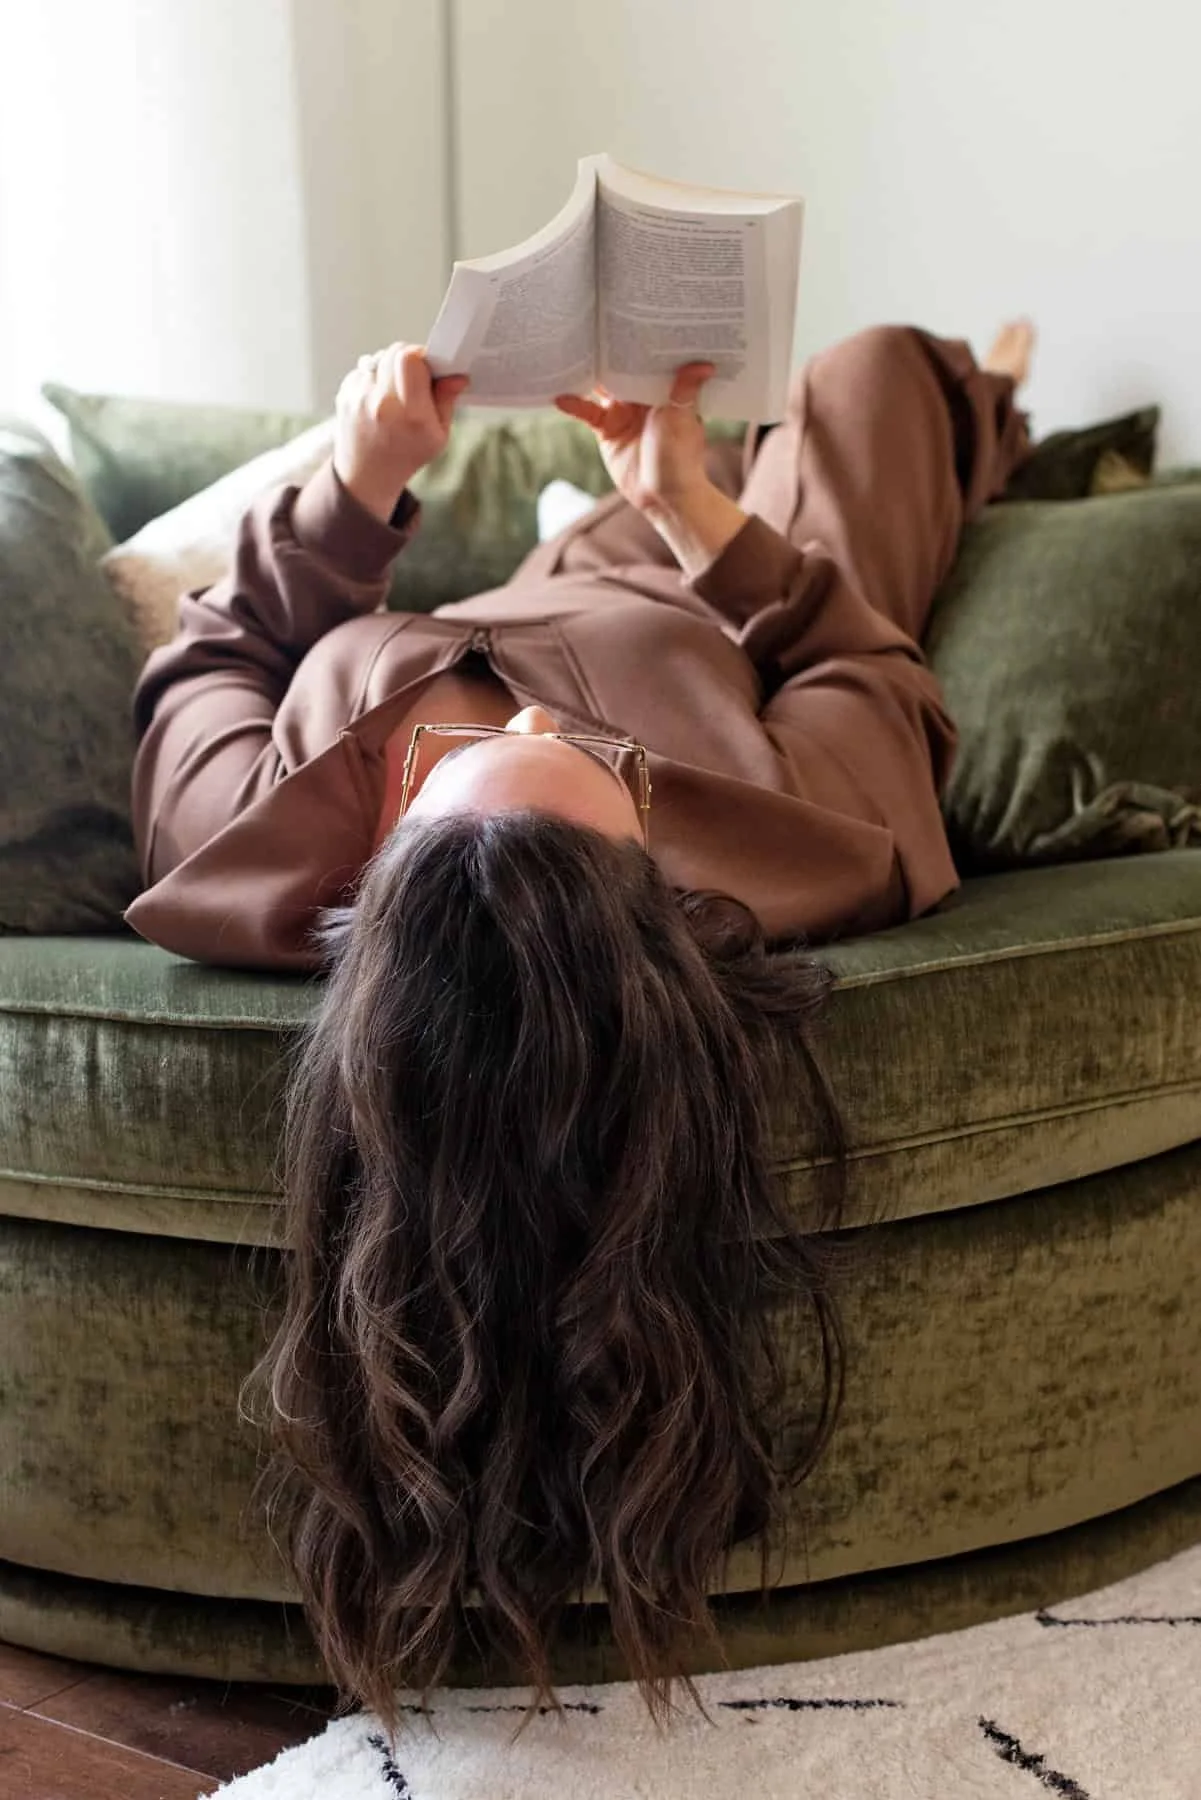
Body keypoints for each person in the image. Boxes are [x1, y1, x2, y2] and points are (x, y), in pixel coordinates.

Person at [128, 320, 1033, 1725]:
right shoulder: (800, 846)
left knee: (723, 406)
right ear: (658, 888)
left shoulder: (245, 845)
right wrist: (699, 520)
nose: (534, 725)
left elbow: (216, 649)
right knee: (878, 371)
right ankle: (986, 406)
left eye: (452, 757)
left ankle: (652, 487)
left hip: (541, 572)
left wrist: (357, 493)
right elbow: (871, 674)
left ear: (373, 877)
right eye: (600, 772)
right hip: (711, 602)